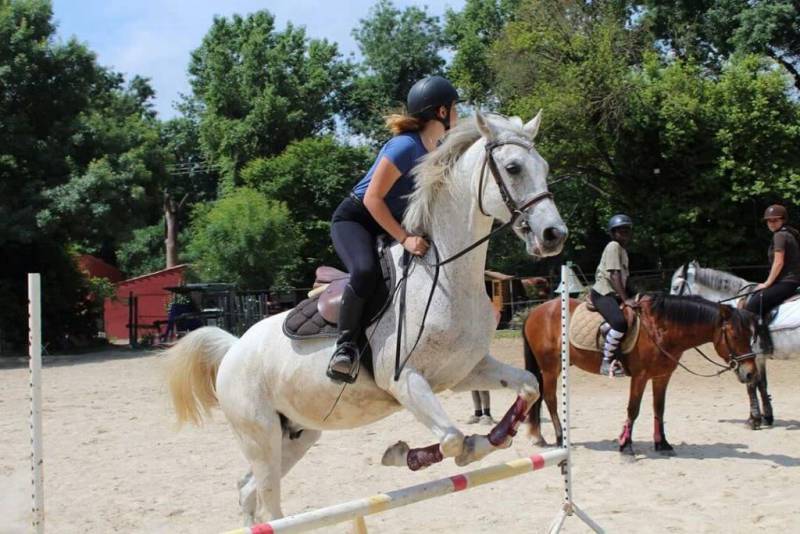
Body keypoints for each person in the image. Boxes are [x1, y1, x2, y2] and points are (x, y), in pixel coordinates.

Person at [326, 76, 460, 383]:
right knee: (365, 271)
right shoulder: (404, 146)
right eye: (454, 107)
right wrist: (405, 239)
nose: (457, 113)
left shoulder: (435, 150)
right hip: (357, 219)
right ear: (440, 111)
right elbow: (373, 199)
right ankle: (344, 348)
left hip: (389, 225)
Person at [745, 204, 800, 354]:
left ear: (783, 220)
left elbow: (779, 262)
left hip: (786, 282)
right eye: (769, 221)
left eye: (775, 220)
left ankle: (764, 344)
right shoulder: (790, 233)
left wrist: (767, 283)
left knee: (753, 304)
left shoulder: (780, 236)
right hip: (791, 281)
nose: (771, 223)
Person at [591, 214, 636, 378]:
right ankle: (607, 360)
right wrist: (626, 300)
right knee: (619, 322)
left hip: (614, 293)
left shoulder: (623, 251)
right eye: (620, 231)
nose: (624, 234)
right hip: (602, 293)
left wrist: (637, 295)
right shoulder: (613, 246)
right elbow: (614, 275)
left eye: (627, 231)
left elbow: (625, 280)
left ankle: (608, 330)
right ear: (613, 234)